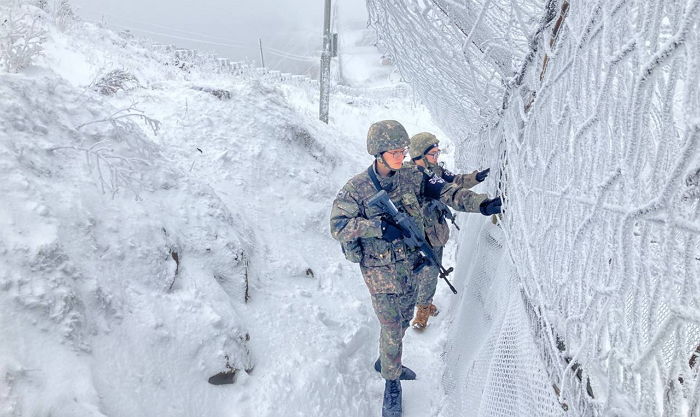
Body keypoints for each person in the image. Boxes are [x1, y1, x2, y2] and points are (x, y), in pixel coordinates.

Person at [329, 121, 502, 417]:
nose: (401, 156)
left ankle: (387, 361)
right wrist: (378, 227)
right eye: (394, 151)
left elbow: (447, 192)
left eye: (403, 150)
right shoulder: (356, 188)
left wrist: (482, 204)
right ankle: (391, 384)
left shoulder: (413, 175)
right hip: (379, 270)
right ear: (377, 153)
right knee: (392, 325)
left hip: (410, 265)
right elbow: (338, 226)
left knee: (405, 317)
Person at [406, 132, 492, 329]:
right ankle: (422, 307)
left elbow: (454, 183)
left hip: (434, 232)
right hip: (415, 234)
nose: (436, 158)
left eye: (437, 153)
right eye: (433, 154)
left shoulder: (434, 171)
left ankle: (424, 305)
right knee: (423, 273)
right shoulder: (408, 176)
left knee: (431, 270)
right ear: (419, 155)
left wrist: (475, 178)